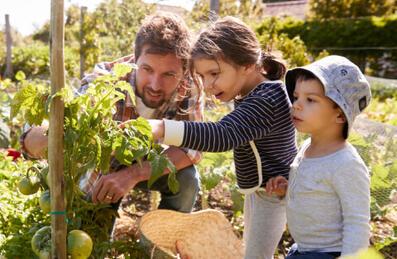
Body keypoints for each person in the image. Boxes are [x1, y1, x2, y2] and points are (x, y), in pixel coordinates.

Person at [20, 12, 204, 213]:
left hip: (148, 161)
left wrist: (131, 175)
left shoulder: (189, 85)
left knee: (187, 180)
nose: (155, 84)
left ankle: (160, 241)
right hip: (105, 165)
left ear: (184, 69)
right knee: (92, 232)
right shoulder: (106, 82)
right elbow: (51, 132)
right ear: (135, 59)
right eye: (147, 69)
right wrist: (41, 137)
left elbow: (192, 148)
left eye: (169, 74)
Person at [147, 16, 297, 259]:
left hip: (274, 194)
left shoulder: (267, 99)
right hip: (265, 191)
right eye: (202, 76)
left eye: (214, 73)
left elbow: (222, 135)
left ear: (247, 64)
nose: (206, 85)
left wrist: (163, 129)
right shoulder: (255, 93)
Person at [265, 55, 371, 258]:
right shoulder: (306, 147)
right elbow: (316, 192)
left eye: (310, 99)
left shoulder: (346, 164)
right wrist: (287, 189)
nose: (296, 105)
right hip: (303, 250)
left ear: (340, 114)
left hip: (327, 253)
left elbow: (357, 223)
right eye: (296, 97)